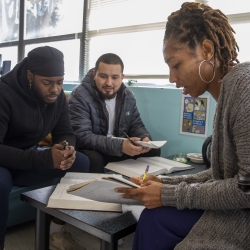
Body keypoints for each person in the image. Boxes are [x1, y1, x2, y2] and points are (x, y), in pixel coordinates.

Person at [115, 2, 250, 250]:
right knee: (155, 218)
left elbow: (246, 188)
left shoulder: (245, 88)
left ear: (207, 50)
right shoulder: (228, 93)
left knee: (155, 218)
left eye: (176, 65)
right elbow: (222, 175)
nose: (172, 79)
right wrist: (163, 184)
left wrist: (167, 195)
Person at [0, 46, 89, 250]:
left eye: (60, 82)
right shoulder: (4, 93)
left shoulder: (58, 99)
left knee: (81, 162)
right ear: (30, 76)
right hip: (3, 161)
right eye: (47, 83)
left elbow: (66, 132)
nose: (55, 89)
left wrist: (68, 150)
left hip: (27, 160)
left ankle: (56, 232)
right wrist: (46, 159)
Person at [68, 53, 160, 173]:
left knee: (153, 151)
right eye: (103, 76)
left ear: (122, 77)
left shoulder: (128, 96)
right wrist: (120, 146)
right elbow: (82, 137)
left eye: (115, 77)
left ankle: (141, 187)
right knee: (94, 159)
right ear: (94, 74)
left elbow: (136, 125)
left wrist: (144, 138)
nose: (109, 83)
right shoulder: (79, 96)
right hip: (92, 149)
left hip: (117, 148)